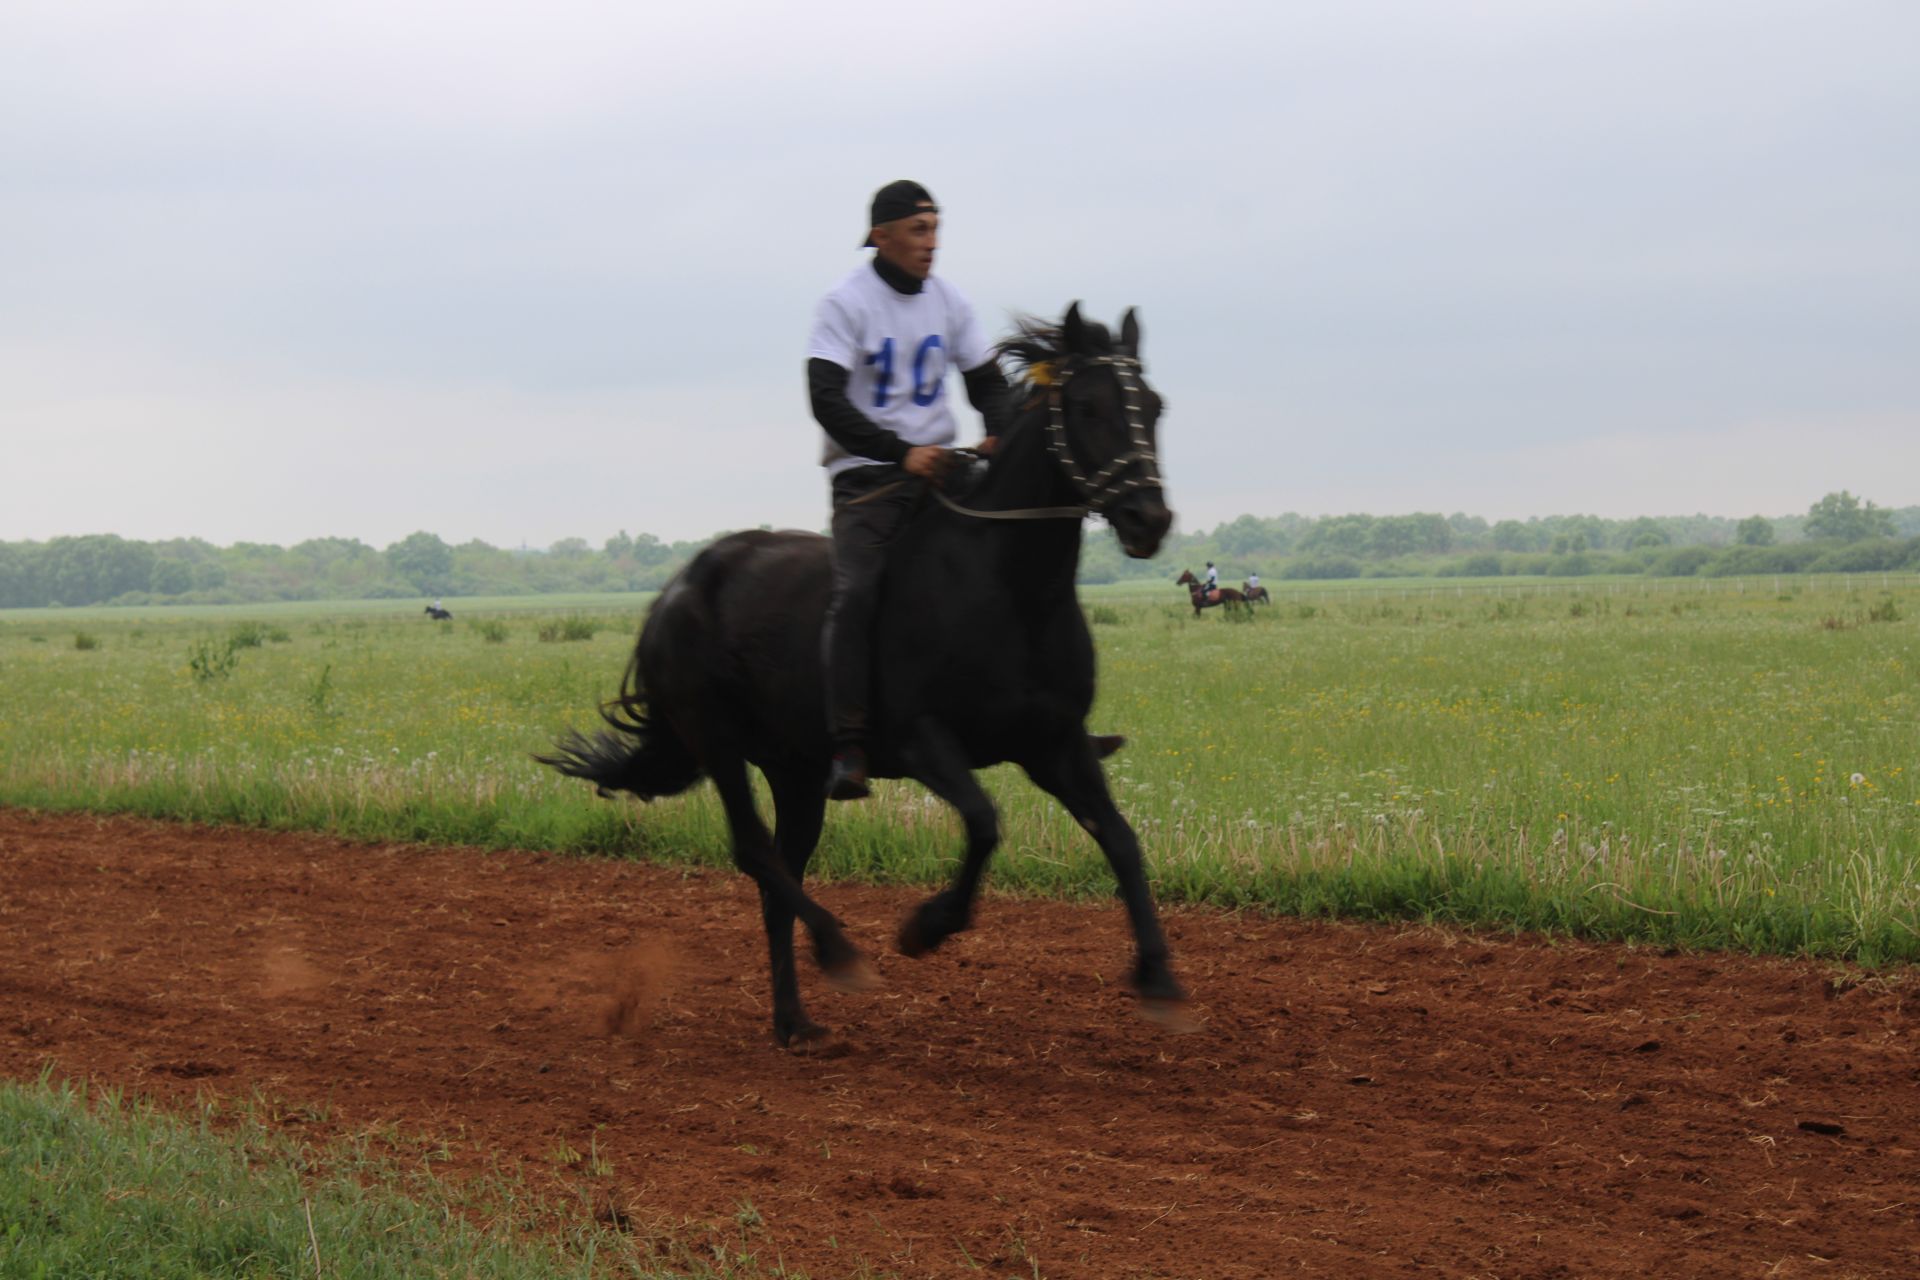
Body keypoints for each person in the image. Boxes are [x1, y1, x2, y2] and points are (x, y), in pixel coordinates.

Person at [807, 180, 1012, 801]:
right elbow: (826, 399)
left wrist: (1000, 429)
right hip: (869, 481)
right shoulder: (846, 304)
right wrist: (900, 451)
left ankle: (1037, 720)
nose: (932, 244)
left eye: (935, 229)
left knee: (1017, 561)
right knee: (859, 592)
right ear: (881, 235)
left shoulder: (950, 302)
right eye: (920, 231)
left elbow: (988, 383)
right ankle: (847, 744)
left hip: (943, 471)